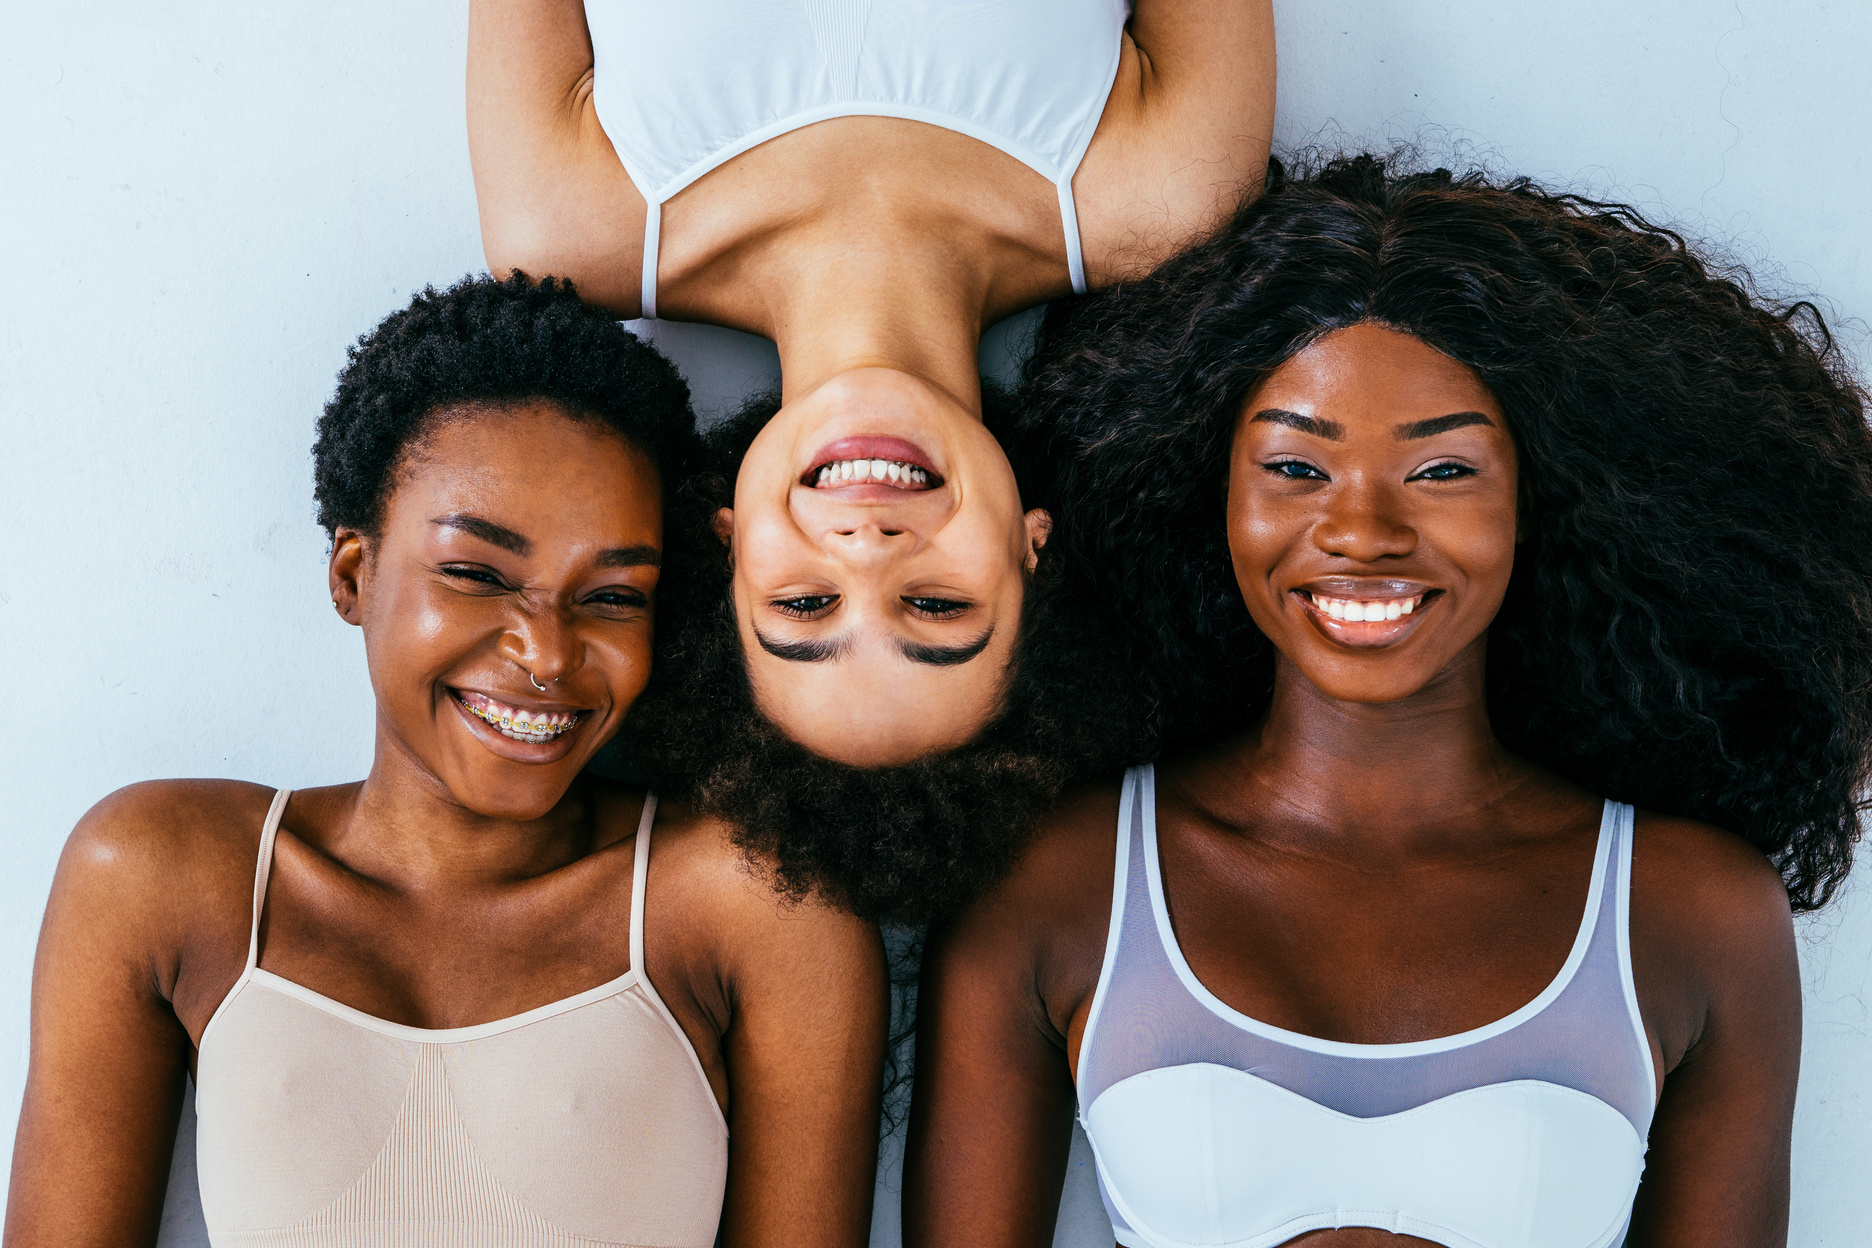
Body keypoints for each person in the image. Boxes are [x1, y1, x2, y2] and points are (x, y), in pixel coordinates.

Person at [904, 156, 1872, 1247]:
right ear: (1205, 489)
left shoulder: (1697, 919)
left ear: (1538, 497)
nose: (1363, 533)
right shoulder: (1054, 885)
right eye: (1296, 469)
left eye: (1443, 471)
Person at [5, 276, 889, 1247]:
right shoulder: (161, 877)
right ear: (354, 572)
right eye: (476, 574)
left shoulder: (759, 908)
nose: (547, 654)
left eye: (612, 596)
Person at [466, 0, 1276, 768]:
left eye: (803, 605)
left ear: (728, 549)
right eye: (937, 606)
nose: (867, 550)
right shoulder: (1175, 191)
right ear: (1033, 551)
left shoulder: (563, 223)